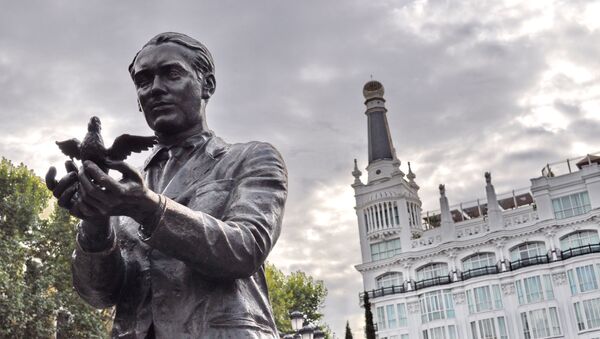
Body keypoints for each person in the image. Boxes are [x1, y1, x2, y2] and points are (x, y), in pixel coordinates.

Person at [46, 32, 287, 338]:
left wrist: (146, 208)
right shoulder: (124, 184)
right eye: (143, 81)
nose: (155, 89)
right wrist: (96, 221)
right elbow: (99, 294)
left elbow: (244, 250)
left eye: (172, 74)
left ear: (207, 85)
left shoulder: (251, 158)